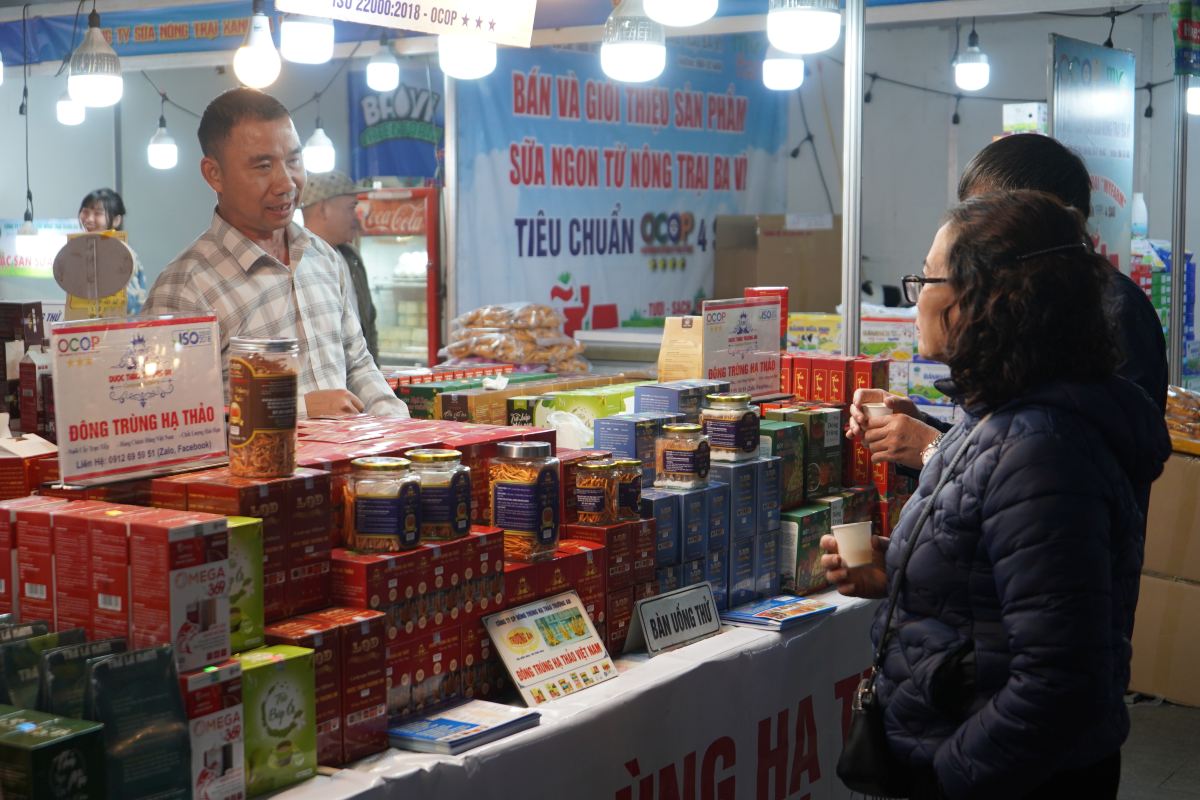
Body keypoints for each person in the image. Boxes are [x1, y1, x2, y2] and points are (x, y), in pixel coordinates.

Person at [822, 191, 1170, 799]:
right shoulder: (1000, 419)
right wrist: (897, 572)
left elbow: (1059, 683)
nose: (916, 297)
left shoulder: (1041, 448)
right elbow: (996, 595)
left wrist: (947, 772)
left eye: (925, 278)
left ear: (981, 298)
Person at [849, 135, 1167, 485]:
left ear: (1035, 217)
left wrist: (931, 448)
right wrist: (923, 429)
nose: (966, 235)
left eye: (983, 217)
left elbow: (1061, 468)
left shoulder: (1112, 309)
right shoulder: (1033, 306)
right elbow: (1006, 439)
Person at [144, 88, 407, 418]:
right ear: (214, 174)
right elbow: (170, 419)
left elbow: (357, 364)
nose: (287, 183)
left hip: (343, 468)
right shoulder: (185, 290)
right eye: (263, 166)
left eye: (294, 160)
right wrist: (301, 409)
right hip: (254, 471)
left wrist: (399, 428)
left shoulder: (322, 258)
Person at [299, 171, 379, 363]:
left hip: (359, 384)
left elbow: (368, 324)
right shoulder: (296, 263)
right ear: (324, 209)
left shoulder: (352, 259)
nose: (356, 217)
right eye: (351, 208)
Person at [78, 188, 149, 315]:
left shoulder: (122, 253)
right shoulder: (85, 250)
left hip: (122, 328)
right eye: (85, 212)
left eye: (97, 213)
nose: (88, 219)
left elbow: (129, 301)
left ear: (116, 220)